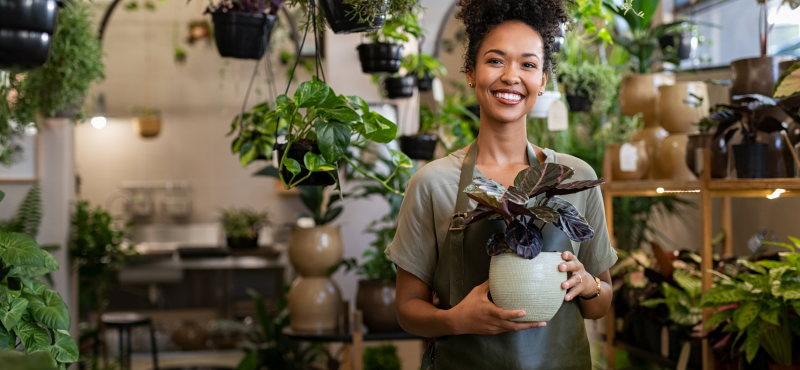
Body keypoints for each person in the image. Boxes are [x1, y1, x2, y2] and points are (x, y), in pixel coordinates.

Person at [385, 0, 618, 368]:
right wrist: (455, 320)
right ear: (471, 72)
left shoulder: (576, 178)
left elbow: (601, 304)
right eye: (495, 60)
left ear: (542, 81)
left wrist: (588, 285)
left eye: (528, 64)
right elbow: (406, 309)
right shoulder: (433, 183)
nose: (511, 76)